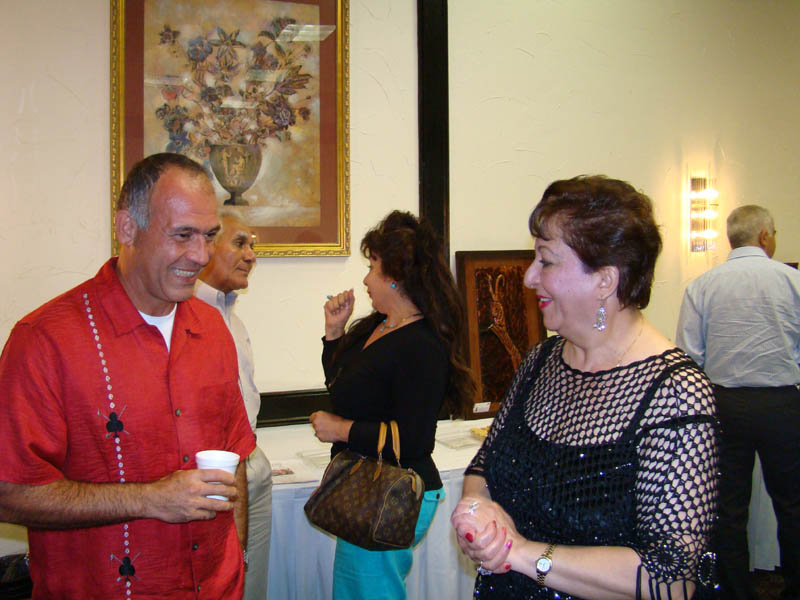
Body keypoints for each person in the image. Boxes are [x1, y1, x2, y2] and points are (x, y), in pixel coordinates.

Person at [0, 153, 255, 598]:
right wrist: (149, 499)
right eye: (182, 235)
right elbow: (10, 491)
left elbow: (236, 464)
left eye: (209, 236)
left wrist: (239, 563)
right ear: (126, 228)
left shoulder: (213, 330)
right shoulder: (46, 340)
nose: (200, 256)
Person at [451, 175, 719, 600]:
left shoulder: (675, 394)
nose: (529, 277)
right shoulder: (540, 363)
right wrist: (476, 510)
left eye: (546, 260)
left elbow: (669, 578)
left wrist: (523, 555)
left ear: (605, 280)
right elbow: (484, 467)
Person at [309, 210, 475, 600]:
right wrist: (334, 335)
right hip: (367, 487)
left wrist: (341, 430)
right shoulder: (378, 325)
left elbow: (415, 440)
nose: (366, 279)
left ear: (395, 276)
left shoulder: (422, 344)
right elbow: (342, 392)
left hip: (394, 492)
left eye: (372, 267)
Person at [676, 205, 800, 600]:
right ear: (764, 236)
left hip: (723, 404)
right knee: (793, 503)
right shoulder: (792, 281)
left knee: (728, 507)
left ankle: (735, 590)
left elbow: (688, 356)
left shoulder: (702, 285)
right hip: (782, 403)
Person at [196, 210, 273, 600]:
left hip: (253, 465)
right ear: (208, 246)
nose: (251, 256)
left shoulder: (235, 322)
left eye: (252, 245)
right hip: (213, 476)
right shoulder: (180, 318)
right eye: (240, 243)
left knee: (252, 584)